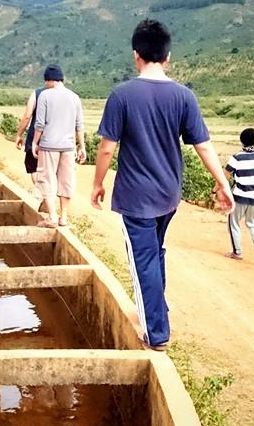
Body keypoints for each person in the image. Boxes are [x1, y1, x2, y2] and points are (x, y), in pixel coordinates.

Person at [91, 19, 234, 351]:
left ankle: (156, 332)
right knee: (154, 252)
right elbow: (203, 145)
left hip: (135, 196)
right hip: (169, 194)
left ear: (135, 55)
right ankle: (159, 309)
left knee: (143, 261)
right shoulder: (184, 96)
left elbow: (107, 148)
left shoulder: (122, 95)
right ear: (168, 56)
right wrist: (222, 183)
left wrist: (98, 183)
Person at [31, 64, 86, 228]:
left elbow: (40, 124)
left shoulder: (45, 95)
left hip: (49, 146)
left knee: (46, 179)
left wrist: (34, 142)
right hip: (68, 147)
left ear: (49, 80)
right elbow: (79, 125)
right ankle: (64, 218)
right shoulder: (75, 97)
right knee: (66, 181)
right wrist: (82, 146)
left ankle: (53, 217)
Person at [224, 127, 254, 264]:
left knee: (233, 223)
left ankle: (237, 252)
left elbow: (224, 176)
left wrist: (215, 190)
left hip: (239, 196)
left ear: (241, 140)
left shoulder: (237, 157)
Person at [15, 81, 49, 183]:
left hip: (35, 137)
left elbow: (27, 116)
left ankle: (40, 190)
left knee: (34, 168)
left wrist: (19, 135)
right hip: (55, 139)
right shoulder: (66, 95)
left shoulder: (36, 93)